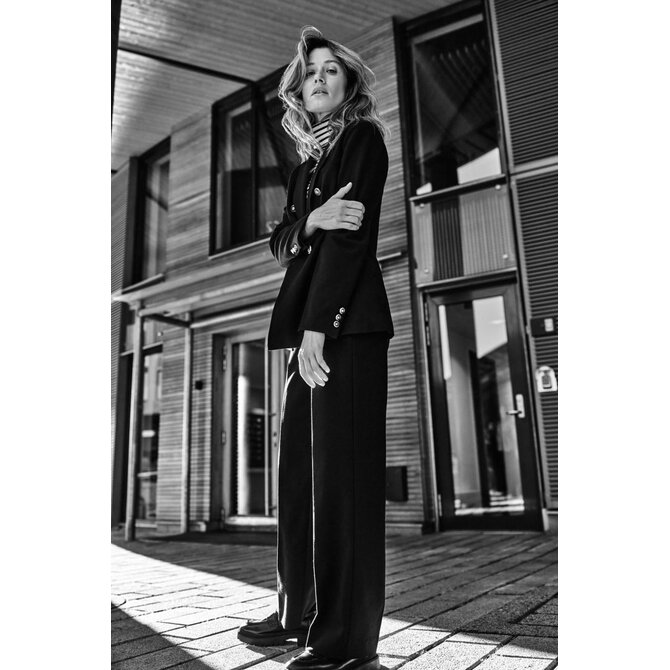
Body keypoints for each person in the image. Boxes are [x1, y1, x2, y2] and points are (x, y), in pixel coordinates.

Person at [237, 25, 394, 670]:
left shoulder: (362, 140)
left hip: (343, 330)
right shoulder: (306, 167)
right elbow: (281, 243)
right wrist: (312, 220)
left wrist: (318, 328)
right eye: (310, 73)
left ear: (348, 82)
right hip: (309, 331)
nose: (320, 78)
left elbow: (350, 241)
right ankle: (294, 614)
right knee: (299, 480)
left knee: (341, 485)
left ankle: (345, 644)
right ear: (299, 92)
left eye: (332, 69)